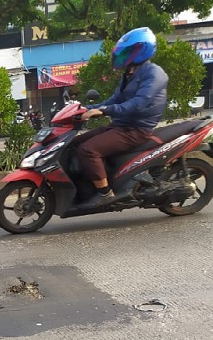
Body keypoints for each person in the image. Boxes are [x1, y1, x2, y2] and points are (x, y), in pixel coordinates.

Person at [74, 27, 168, 207]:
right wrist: (86, 108)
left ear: (141, 50)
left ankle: (106, 194)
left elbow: (137, 104)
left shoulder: (154, 73)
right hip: (121, 126)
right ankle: (89, 183)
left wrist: (104, 111)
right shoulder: (130, 74)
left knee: (88, 150)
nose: (123, 56)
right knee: (74, 145)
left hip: (137, 129)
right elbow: (115, 99)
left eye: (128, 52)